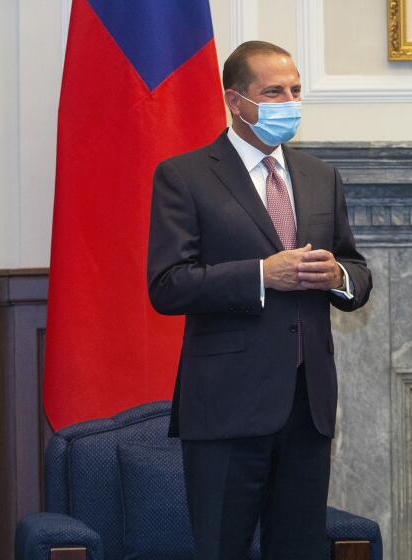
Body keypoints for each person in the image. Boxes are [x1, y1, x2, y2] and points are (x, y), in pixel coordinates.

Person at [147, 41, 372, 559]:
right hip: (226, 405)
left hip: (307, 404)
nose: (289, 101)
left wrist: (336, 274)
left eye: (295, 90)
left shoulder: (320, 175)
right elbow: (168, 284)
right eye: (273, 92)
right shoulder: (184, 176)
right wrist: (260, 274)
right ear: (236, 100)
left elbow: (357, 272)